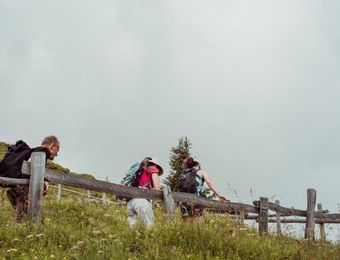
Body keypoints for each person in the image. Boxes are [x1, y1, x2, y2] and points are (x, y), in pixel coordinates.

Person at [5, 135, 60, 224]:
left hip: (17, 184)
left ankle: (18, 227)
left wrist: (44, 180)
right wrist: (42, 179)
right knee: (31, 211)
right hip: (23, 187)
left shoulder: (34, 151)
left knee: (20, 212)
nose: (57, 154)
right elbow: (31, 163)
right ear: (52, 146)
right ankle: (38, 229)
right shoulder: (44, 151)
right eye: (57, 150)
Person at [127, 157, 163, 227]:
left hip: (130, 201)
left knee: (134, 230)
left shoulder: (140, 170)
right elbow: (157, 188)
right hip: (142, 200)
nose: (158, 171)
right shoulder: (153, 168)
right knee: (149, 227)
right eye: (158, 169)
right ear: (156, 165)